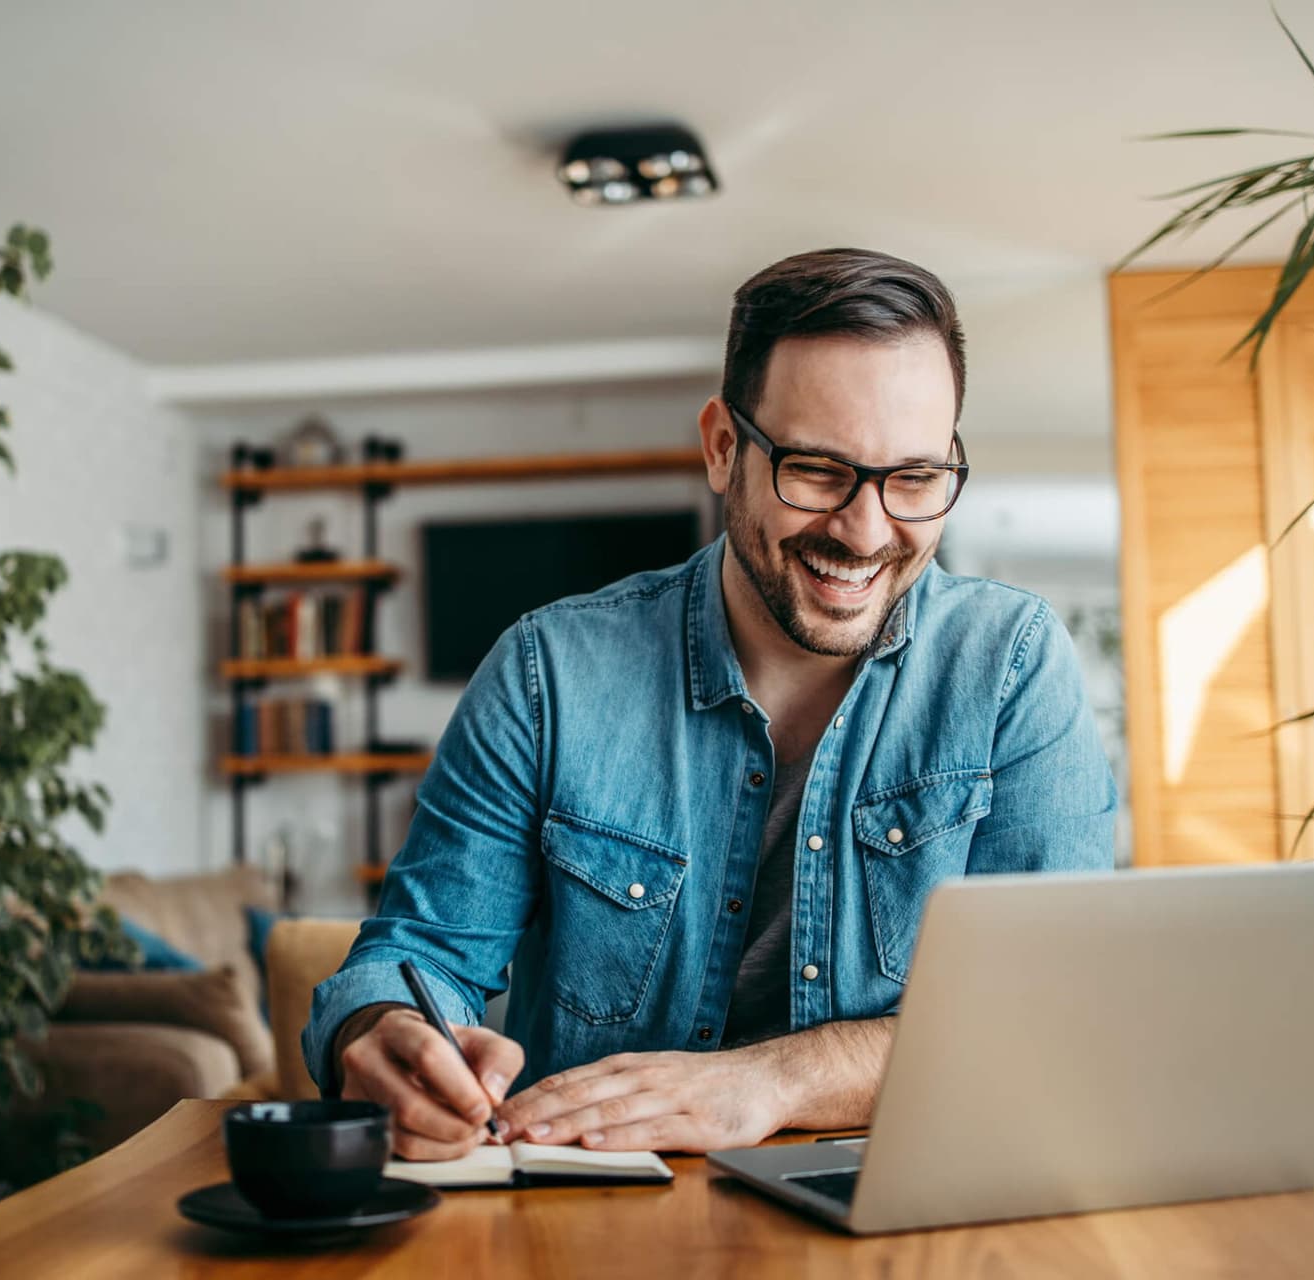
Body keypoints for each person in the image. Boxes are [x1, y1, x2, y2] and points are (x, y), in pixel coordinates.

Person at [303, 248, 1116, 1160]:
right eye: (817, 470)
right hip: (597, 1217)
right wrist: (375, 1032)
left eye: (917, 478)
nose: (867, 530)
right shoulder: (548, 672)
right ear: (724, 447)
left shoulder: (1010, 662)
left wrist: (772, 1082)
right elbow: (417, 955)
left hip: (899, 1205)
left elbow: (1049, 1010)